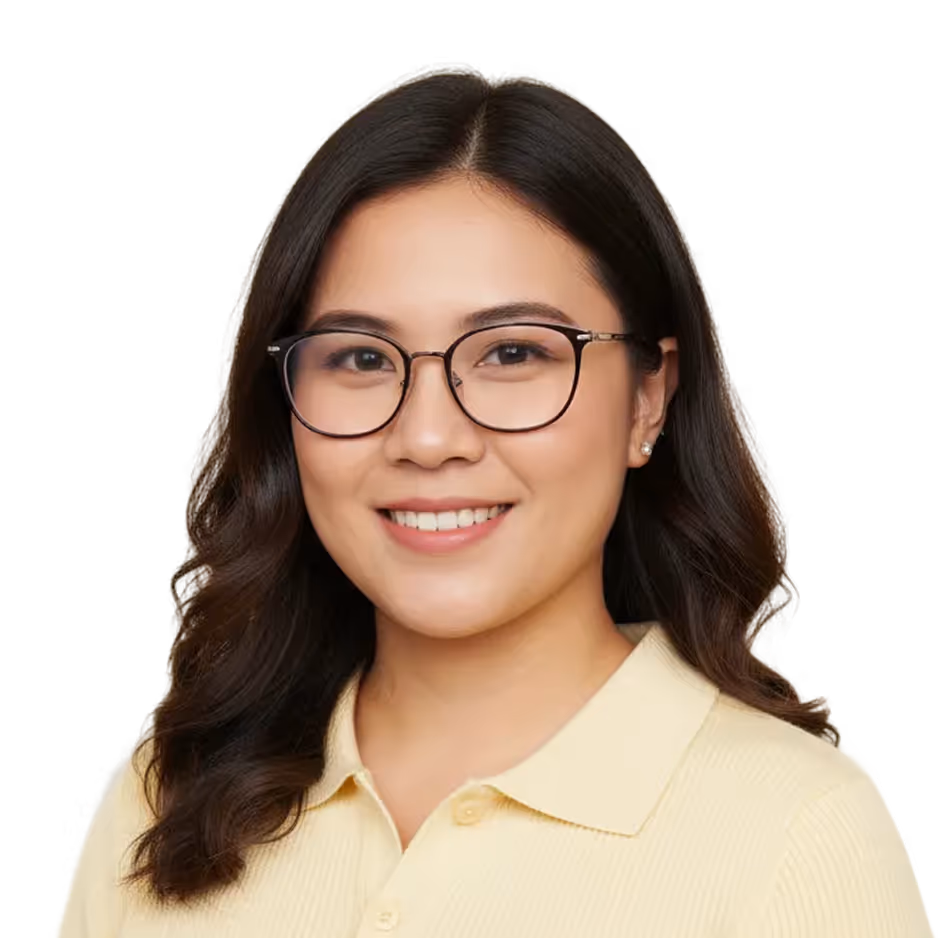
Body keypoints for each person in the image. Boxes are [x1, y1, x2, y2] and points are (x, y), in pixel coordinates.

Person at [54, 63, 934, 936]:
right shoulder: (159, 805)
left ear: (647, 400)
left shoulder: (799, 835)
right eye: (360, 358)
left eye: (513, 353)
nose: (430, 438)